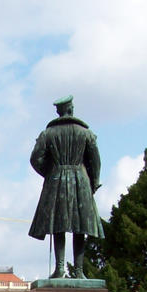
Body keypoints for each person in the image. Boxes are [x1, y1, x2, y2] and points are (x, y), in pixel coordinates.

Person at [28, 95, 104, 279]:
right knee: (80, 227)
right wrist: (93, 182)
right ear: (71, 109)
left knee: (59, 225)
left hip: (56, 181)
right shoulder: (86, 133)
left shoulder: (48, 134)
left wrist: (50, 172)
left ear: (59, 111)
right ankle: (79, 271)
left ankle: (60, 268)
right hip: (81, 180)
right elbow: (95, 161)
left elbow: (35, 159)